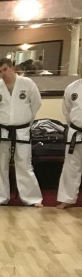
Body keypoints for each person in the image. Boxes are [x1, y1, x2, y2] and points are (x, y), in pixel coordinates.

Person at [0, 56, 42, 206]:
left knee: (24, 165)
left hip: (21, 130)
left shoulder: (27, 84)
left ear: (12, 68)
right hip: (1, 130)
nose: (3, 74)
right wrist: (3, 121)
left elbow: (36, 104)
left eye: (5, 69)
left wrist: (24, 121)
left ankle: (32, 199)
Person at [57, 76, 82, 208]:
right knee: (71, 166)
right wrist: (74, 125)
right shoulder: (72, 88)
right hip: (76, 132)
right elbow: (67, 111)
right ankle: (67, 198)